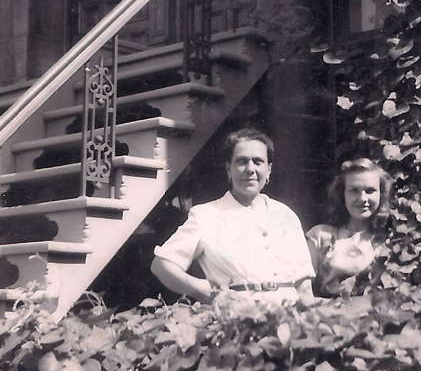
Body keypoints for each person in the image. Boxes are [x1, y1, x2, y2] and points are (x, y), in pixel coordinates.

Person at [151, 128, 314, 304]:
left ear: (269, 170)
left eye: (258, 161)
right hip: (239, 318)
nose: (250, 169)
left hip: (291, 320)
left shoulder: (286, 215)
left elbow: (304, 287)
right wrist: (201, 290)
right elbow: (161, 265)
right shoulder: (207, 216)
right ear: (229, 169)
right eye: (242, 161)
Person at [306, 158, 392, 297]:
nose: (363, 198)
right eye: (354, 190)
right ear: (342, 194)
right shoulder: (321, 236)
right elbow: (303, 290)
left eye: (370, 191)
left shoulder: (389, 241)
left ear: (380, 195)